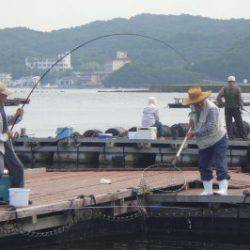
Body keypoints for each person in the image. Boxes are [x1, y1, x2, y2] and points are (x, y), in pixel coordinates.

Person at [182, 86, 230, 196]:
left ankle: (223, 189)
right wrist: (191, 122)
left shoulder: (212, 108)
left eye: (199, 102)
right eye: (194, 102)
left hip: (218, 138)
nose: (197, 104)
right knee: (203, 164)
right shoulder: (193, 106)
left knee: (219, 162)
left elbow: (210, 126)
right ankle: (208, 190)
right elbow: (193, 116)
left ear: (203, 99)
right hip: (204, 142)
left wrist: (194, 133)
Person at [0, 82, 24, 188]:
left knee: (17, 167)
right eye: (4, 95)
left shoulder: (1, 106)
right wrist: (5, 136)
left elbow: (5, 121)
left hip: (5, 142)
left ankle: (17, 192)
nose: (6, 97)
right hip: (2, 141)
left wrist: (17, 116)